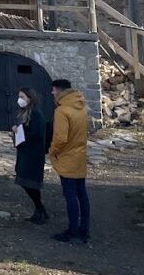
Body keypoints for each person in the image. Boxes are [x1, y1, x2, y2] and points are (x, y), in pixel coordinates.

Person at [47, 78, 90, 244]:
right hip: (80, 155)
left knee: (70, 194)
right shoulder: (81, 107)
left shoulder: (62, 110)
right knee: (82, 194)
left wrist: (52, 151)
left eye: (53, 90)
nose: (52, 93)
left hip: (67, 156)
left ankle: (72, 230)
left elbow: (60, 137)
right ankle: (84, 229)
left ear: (59, 91)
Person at [12, 87, 48, 224]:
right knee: (24, 181)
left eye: (22, 97)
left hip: (33, 154)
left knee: (31, 183)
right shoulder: (24, 112)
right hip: (25, 152)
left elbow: (38, 134)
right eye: (19, 96)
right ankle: (39, 208)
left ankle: (40, 209)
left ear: (29, 98)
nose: (20, 99)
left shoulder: (36, 114)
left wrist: (21, 132)